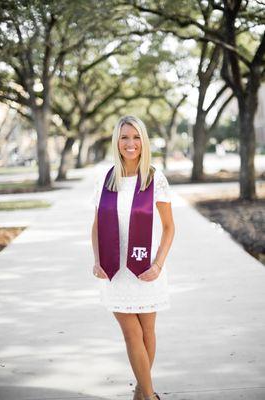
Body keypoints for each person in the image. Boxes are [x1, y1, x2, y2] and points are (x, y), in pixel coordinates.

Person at [91, 115, 175, 400]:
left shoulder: (154, 178)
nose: (130, 143)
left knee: (147, 331)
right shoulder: (105, 179)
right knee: (131, 333)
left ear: (144, 141)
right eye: (125, 137)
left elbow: (168, 228)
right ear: (116, 140)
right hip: (115, 270)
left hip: (146, 268)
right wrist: (97, 259)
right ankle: (150, 397)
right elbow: (95, 226)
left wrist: (158, 264)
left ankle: (142, 392)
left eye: (136, 137)